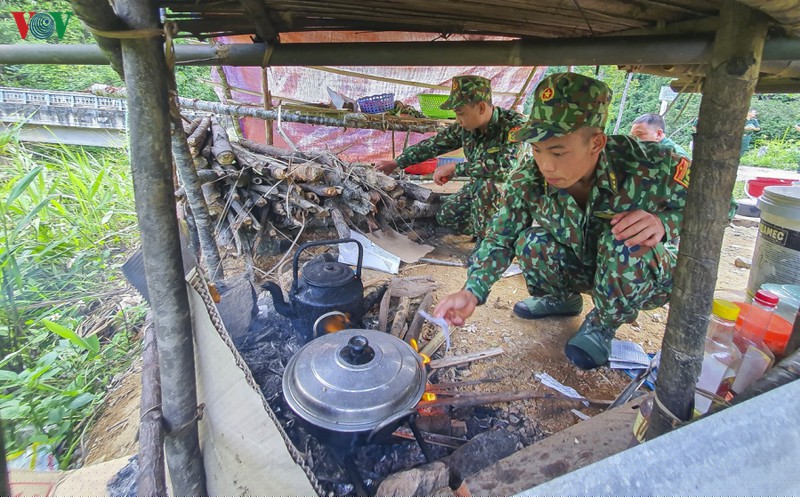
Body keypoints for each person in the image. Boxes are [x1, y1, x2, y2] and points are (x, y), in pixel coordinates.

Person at [434, 72, 692, 370]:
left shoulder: (651, 163)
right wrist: (472, 290)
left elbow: (720, 206)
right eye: (537, 149)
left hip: (645, 276)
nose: (546, 165)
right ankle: (562, 299)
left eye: (558, 151)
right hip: (588, 264)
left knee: (624, 238)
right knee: (531, 242)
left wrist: (664, 222)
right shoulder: (529, 177)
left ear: (596, 143)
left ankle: (602, 325)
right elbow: (500, 238)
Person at [376, 75, 527, 241]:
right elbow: (434, 145)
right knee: (446, 215)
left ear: (481, 108)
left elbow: (505, 167)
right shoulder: (466, 127)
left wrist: (456, 168)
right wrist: (396, 162)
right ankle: (484, 226)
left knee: (488, 185)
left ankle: (492, 240)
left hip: (513, 194)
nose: (458, 120)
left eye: (460, 113)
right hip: (478, 190)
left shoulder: (515, 125)